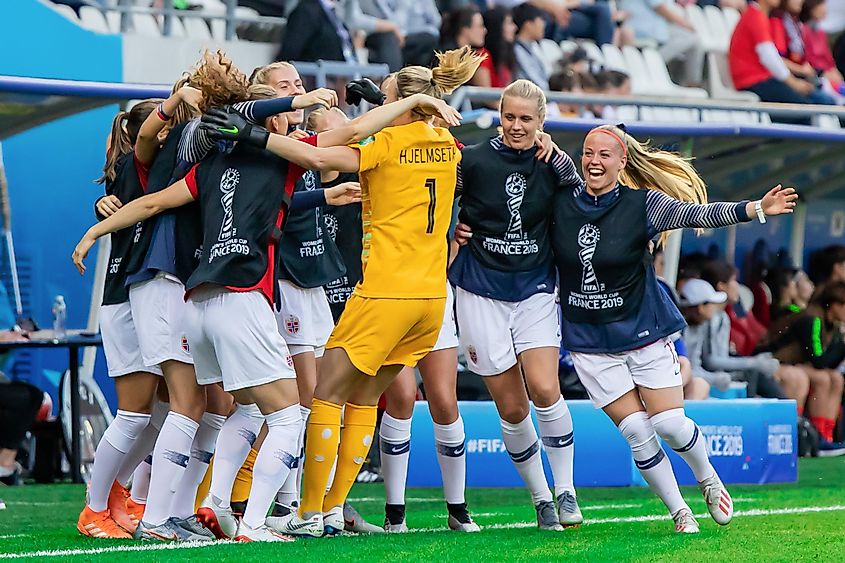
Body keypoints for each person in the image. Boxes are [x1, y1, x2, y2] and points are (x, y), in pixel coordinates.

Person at [200, 47, 478, 538]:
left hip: (386, 292)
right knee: (367, 398)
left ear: (403, 107)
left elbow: (316, 155)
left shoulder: (388, 144)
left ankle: (309, 512)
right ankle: (330, 509)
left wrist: (255, 135)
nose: (377, 108)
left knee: (326, 394)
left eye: (385, 99)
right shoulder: (448, 145)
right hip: (433, 299)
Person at [546, 125, 796, 532]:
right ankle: (679, 511)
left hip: (643, 331)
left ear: (622, 161)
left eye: (604, 154)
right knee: (637, 433)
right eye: (588, 153)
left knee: (667, 424)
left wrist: (756, 208)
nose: (594, 161)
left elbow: (697, 213)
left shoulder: (643, 204)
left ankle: (708, 477)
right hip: (590, 340)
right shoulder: (561, 204)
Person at [451, 79, 583, 531]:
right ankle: (540, 497)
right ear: (500, 115)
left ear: (542, 122)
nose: (516, 126)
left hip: (535, 287)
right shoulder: (471, 159)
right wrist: (454, 231)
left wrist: (560, 156)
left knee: (546, 388)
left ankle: (566, 490)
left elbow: (583, 195)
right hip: (478, 288)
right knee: (511, 408)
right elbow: (438, 201)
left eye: (527, 119)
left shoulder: (552, 162)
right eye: (510, 117)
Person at [77, 99, 172, 540]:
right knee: (135, 414)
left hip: (146, 298)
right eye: (166, 125)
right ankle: (94, 509)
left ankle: (115, 490)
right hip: (126, 300)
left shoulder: (147, 168)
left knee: (165, 412)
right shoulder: (137, 164)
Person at [764, 282, 845, 455]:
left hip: (795, 365)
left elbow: (828, 363)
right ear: (835, 305)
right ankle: (800, 435)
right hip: (769, 361)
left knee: (835, 379)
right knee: (817, 378)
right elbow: (818, 360)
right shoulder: (812, 319)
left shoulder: (835, 325)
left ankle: (823, 436)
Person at [729, 0, 836, 110]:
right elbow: (769, 56)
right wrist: (794, 83)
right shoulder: (755, 16)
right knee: (803, 110)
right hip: (752, 81)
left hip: (762, 79)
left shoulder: (758, 15)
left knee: (813, 103)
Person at [619, 0, 704, 86]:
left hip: (658, 31)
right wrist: (686, 24)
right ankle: (653, 63)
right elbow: (661, 9)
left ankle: (692, 83)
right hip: (640, 31)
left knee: (695, 42)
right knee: (692, 39)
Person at [278, 0, 357, 65]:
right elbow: (290, 51)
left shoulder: (335, 14)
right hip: (320, 78)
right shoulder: (306, 11)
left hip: (345, 75)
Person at [800, 0, 845, 93]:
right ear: (812, 9)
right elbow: (808, 58)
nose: (825, 9)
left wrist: (834, 70)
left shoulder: (821, 33)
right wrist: (824, 73)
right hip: (817, 75)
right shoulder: (804, 30)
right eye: (822, 6)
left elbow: (829, 58)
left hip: (829, 74)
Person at [513, 3, 551, 90]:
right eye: (540, 20)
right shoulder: (516, 50)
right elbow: (535, 81)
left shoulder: (533, 48)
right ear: (528, 24)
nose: (543, 24)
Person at [478, 7, 518, 89]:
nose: (515, 28)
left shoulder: (507, 56)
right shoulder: (482, 56)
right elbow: (485, 97)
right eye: (509, 23)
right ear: (497, 26)